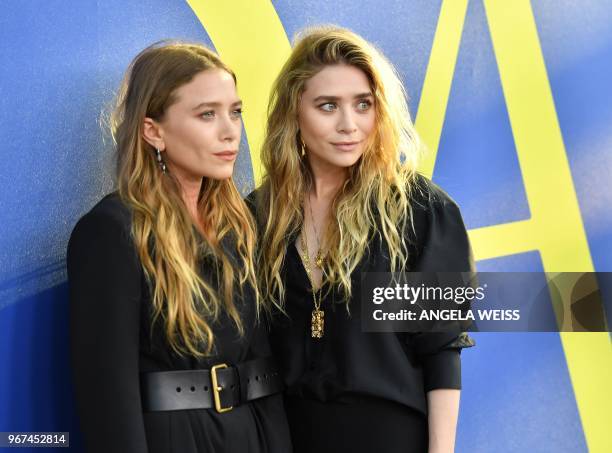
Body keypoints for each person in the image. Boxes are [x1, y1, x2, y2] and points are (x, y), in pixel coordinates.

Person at [248, 26, 475, 453]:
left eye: (363, 105)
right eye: (328, 106)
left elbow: (442, 348)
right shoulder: (260, 215)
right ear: (294, 114)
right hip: (285, 435)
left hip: (388, 435)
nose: (349, 124)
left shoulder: (419, 209)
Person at [67, 41, 291, 453]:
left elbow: (261, 370)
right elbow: (107, 398)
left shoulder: (238, 225)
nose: (229, 131)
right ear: (153, 131)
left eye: (235, 112)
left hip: (248, 436)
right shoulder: (112, 231)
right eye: (207, 114)